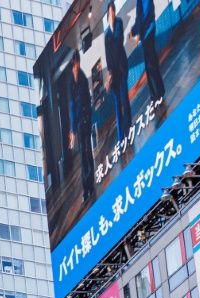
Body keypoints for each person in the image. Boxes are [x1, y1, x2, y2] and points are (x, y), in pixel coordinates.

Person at [66, 54, 96, 204]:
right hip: (78, 122)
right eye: (74, 65)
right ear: (72, 65)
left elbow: (82, 103)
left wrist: (76, 126)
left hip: (85, 118)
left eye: (77, 64)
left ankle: (91, 183)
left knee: (88, 151)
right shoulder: (70, 83)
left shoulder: (83, 79)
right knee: (83, 155)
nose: (76, 67)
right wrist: (72, 130)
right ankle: (86, 189)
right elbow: (72, 106)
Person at [102, 3, 132, 147]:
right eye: (110, 12)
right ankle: (121, 139)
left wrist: (113, 26)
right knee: (117, 106)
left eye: (113, 11)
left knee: (125, 101)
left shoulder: (119, 23)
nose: (112, 14)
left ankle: (129, 131)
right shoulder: (106, 35)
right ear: (107, 15)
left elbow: (119, 42)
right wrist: (109, 75)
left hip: (121, 70)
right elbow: (108, 56)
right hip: (114, 74)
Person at [130, 0, 165, 111]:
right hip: (146, 34)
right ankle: (156, 94)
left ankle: (158, 94)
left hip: (148, 32)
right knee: (150, 67)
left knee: (152, 66)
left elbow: (144, 15)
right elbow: (140, 17)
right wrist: (135, 31)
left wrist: (135, 31)